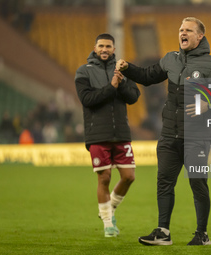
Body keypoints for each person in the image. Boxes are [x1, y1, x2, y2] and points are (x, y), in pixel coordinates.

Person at [117, 17, 211, 246]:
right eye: (180, 29)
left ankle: (202, 234)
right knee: (164, 181)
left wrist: (208, 105)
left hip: (196, 137)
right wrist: (128, 68)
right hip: (169, 134)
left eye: (188, 30)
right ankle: (163, 232)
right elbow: (148, 77)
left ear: (200, 36)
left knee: (197, 182)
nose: (183, 33)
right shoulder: (171, 59)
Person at [75, 33, 140, 237]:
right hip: (97, 134)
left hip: (121, 132)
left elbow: (134, 97)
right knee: (105, 178)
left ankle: (108, 208)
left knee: (129, 177)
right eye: (101, 46)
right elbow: (88, 99)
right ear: (95, 48)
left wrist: (120, 82)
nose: (105, 49)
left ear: (113, 49)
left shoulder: (123, 70)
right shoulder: (83, 71)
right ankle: (107, 224)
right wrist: (111, 86)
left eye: (108, 46)